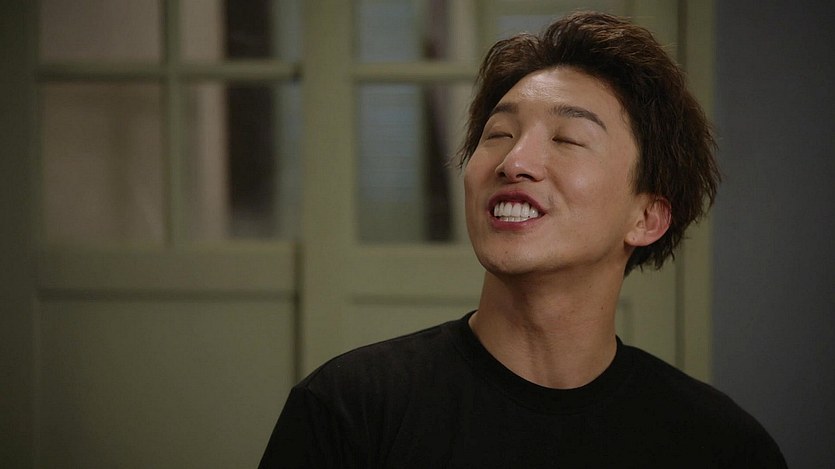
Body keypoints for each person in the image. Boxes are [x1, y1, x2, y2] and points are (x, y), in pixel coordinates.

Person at [259, 11, 786, 468]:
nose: (514, 162)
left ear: (647, 217)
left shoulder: (721, 446)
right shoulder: (348, 408)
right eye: (498, 135)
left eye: (567, 138)